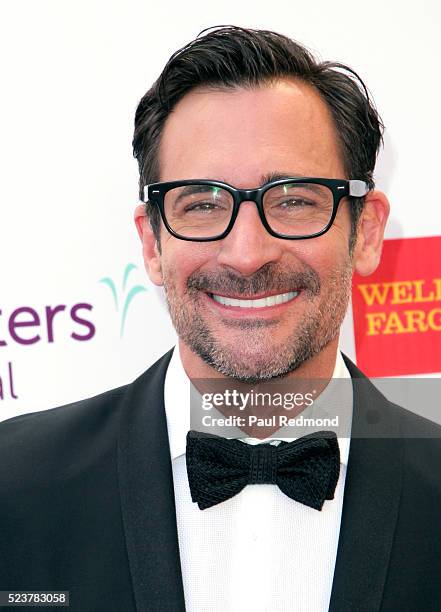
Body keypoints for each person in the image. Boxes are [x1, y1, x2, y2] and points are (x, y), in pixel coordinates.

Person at [0, 26, 440, 612]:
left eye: (294, 199)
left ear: (366, 232)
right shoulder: (14, 487)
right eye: (203, 204)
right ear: (153, 245)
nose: (247, 253)